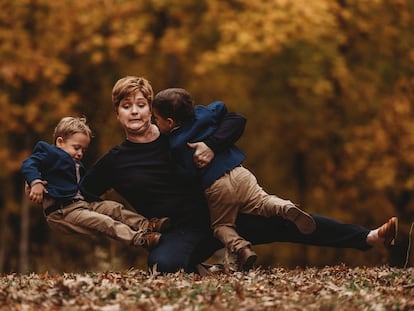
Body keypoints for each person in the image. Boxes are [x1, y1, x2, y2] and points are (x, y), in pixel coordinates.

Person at [81, 76, 398, 274]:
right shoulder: (114, 162)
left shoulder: (176, 131)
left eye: (140, 104)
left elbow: (232, 119)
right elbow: (84, 193)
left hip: (224, 211)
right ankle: (205, 268)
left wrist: (209, 145)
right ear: (117, 113)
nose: (134, 111)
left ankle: (368, 237)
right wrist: (43, 175)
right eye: (126, 106)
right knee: (160, 266)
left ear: (154, 110)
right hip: (182, 232)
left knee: (289, 219)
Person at [151, 88, 317, 271]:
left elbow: (186, 176)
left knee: (221, 226)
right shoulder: (203, 113)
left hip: (217, 187)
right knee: (263, 201)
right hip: (240, 173)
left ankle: (241, 247)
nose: (155, 123)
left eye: (156, 119)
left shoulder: (175, 144)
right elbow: (220, 107)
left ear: (169, 122)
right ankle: (285, 207)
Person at [21, 116, 171, 251]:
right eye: (76, 148)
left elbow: (83, 187)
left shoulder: (77, 165)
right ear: (60, 142)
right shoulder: (50, 154)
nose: (80, 153)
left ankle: (147, 225)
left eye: (83, 150)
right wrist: (35, 182)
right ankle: (140, 239)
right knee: (104, 222)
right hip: (62, 212)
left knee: (113, 208)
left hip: (81, 205)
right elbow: (29, 163)